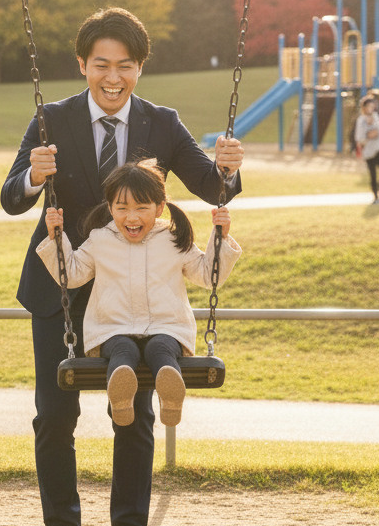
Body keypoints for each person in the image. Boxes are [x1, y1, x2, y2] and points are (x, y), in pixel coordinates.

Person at [0, 7, 243, 526]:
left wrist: (228, 169)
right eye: (101, 65)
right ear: (82, 64)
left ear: (140, 68)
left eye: (125, 66)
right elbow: (12, 197)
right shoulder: (51, 119)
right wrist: (35, 176)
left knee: (132, 411)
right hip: (63, 285)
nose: (113, 78)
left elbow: (211, 184)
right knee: (54, 416)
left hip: (135, 292)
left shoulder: (162, 122)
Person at [37, 161, 241, 439]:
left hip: (165, 326)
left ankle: (171, 393)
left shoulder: (172, 237)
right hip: (114, 327)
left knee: (162, 348)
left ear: (159, 208)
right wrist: (56, 239)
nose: (131, 217)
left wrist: (221, 237)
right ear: (110, 208)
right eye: (122, 208)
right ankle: (121, 394)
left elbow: (207, 275)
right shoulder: (101, 240)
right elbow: (70, 275)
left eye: (141, 208)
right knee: (122, 351)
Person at [354, 94, 379, 203]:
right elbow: (360, 137)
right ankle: (376, 197)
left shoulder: (376, 117)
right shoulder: (361, 120)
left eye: (372, 106)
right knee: (373, 174)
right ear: (364, 107)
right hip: (369, 151)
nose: (371, 108)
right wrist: (368, 133)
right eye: (369, 106)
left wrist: (373, 132)